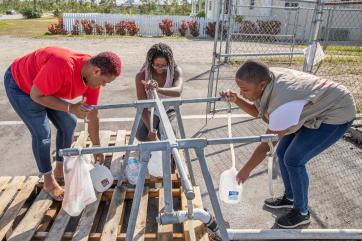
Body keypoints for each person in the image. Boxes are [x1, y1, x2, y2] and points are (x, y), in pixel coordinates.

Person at [220, 60, 355, 228]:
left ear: (261, 84)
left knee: (294, 159)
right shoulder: (267, 80)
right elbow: (258, 111)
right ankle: (290, 197)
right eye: (240, 88)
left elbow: (266, 144)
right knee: (283, 153)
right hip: (315, 108)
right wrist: (237, 99)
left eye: (245, 90)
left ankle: (302, 212)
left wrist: (245, 171)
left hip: (337, 112)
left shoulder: (283, 104)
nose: (242, 92)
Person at [4, 46, 122, 201]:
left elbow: (93, 116)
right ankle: (48, 181)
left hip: (46, 88)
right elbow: (36, 95)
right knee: (42, 134)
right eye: (104, 81)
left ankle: (59, 169)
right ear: (96, 71)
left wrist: (97, 149)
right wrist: (70, 107)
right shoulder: (63, 65)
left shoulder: (92, 81)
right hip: (22, 87)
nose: (103, 85)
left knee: (68, 123)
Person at [135, 43, 183, 141]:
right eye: (156, 65)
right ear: (150, 63)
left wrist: (158, 89)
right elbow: (142, 105)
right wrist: (151, 129)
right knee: (141, 134)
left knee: (170, 135)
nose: (160, 69)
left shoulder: (175, 70)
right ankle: (152, 153)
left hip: (169, 109)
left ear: (169, 63)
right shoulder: (141, 75)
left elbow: (178, 91)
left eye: (164, 66)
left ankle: (170, 155)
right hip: (151, 110)